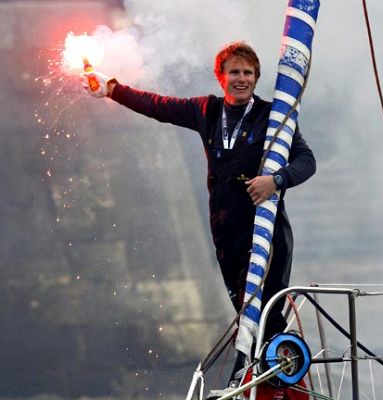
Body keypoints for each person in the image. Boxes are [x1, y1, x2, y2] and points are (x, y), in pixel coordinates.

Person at [81, 41, 316, 387]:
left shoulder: (273, 115)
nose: (241, 79)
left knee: (267, 313)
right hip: (225, 233)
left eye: (248, 73)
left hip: (266, 232)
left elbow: (307, 161)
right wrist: (113, 89)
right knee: (244, 312)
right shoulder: (206, 110)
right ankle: (256, 379)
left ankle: (271, 382)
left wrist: (275, 181)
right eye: (234, 72)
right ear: (220, 77)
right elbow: (158, 106)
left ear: (256, 77)